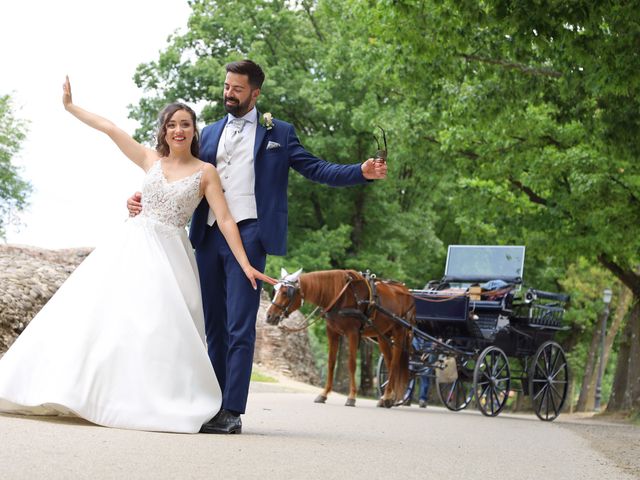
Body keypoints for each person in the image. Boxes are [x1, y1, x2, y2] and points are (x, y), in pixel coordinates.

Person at [0, 77, 273, 434]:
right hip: (131, 245)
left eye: (185, 124)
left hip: (171, 255)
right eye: (172, 124)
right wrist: (70, 108)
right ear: (164, 131)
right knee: (106, 320)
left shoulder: (206, 173)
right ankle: (86, 390)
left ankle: (150, 398)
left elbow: (224, 219)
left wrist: (245, 263)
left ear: (195, 132)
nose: (178, 130)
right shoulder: (150, 160)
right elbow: (111, 129)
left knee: (158, 329)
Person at [127, 59, 387, 434]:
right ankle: (209, 403)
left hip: (249, 235)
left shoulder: (278, 133)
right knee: (212, 325)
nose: (228, 93)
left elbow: (316, 168)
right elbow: (174, 169)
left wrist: (359, 172)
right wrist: (140, 199)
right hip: (207, 234)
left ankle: (231, 410)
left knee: (239, 326)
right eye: (226, 86)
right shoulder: (211, 132)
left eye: (236, 88)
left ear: (255, 92)